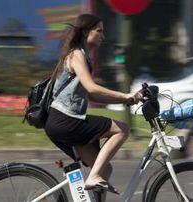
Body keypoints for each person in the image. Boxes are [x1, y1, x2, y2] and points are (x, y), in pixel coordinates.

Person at [44, 14, 142, 197]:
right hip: (65, 120)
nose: (103, 36)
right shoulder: (76, 55)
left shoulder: (84, 56)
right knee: (122, 129)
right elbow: (92, 87)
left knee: (105, 170)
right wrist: (125, 95)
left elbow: (92, 94)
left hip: (65, 121)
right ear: (86, 32)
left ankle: (96, 176)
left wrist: (126, 100)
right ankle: (93, 176)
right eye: (99, 31)